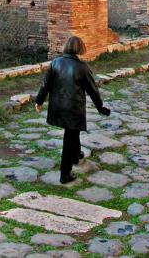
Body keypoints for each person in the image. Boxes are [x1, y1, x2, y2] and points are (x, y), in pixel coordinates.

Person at [34, 36, 110, 184]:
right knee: (69, 138)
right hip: (73, 108)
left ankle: (76, 155)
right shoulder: (82, 67)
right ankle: (65, 174)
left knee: (72, 132)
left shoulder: (55, 63)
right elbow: (93, 90)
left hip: (58, 106)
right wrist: (100, 106)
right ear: (80, 48)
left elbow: (45, 85)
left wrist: (39, 101)